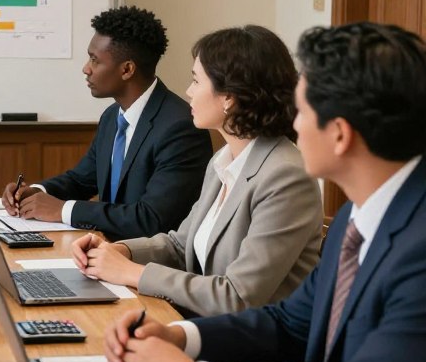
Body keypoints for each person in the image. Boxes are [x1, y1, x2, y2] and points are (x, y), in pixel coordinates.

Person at [102, 22, 426, 362]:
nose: (293, 123)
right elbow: (292, 323)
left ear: (339, 135)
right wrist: (180, 337)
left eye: (305, 110)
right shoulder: (359, 215)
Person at [72, 26, 323, 322]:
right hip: (203, 330)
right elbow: (180, 245)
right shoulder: (224, 160)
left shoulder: (285, 177)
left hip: (250, 357)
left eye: (195, 80)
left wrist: (132, 272)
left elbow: (237, 296)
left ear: (228, 96)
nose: (188, 91)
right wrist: (119, 250)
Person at [2, 7, 212, 237]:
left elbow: (151, 218)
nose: (86, 68)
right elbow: (82, 180)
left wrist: (63, 210)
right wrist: (36, 192)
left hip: (149, 265)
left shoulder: (180, 128)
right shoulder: (113, 116)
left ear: (127, 69)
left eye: (94, 60)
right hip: (104, 253)